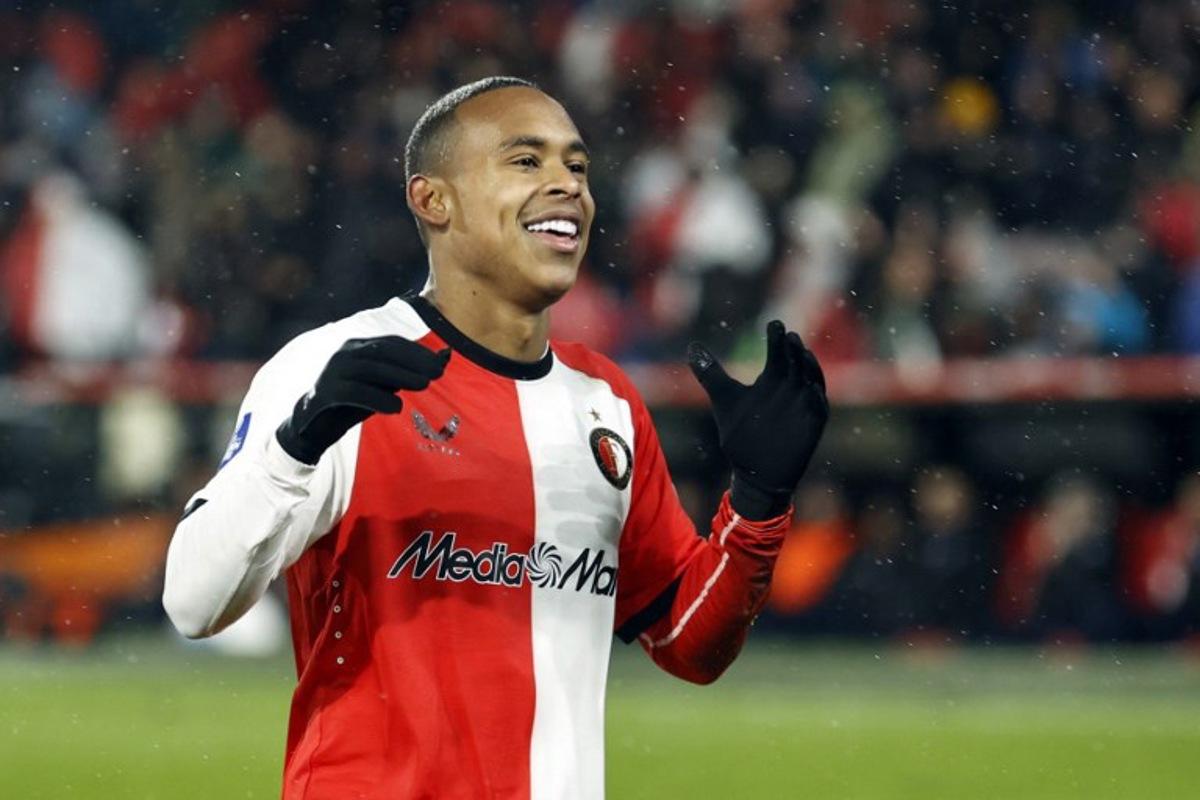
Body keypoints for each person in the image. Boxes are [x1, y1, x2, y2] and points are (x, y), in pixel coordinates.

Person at [162, 77, 829, 799]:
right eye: (526, 161)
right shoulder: (336, 369)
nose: (566, 185)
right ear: (432, 199)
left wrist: (758, 503)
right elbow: (194, 604)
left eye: (577, 166)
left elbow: (687, 643)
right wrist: (294, 448)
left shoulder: (604, 404)